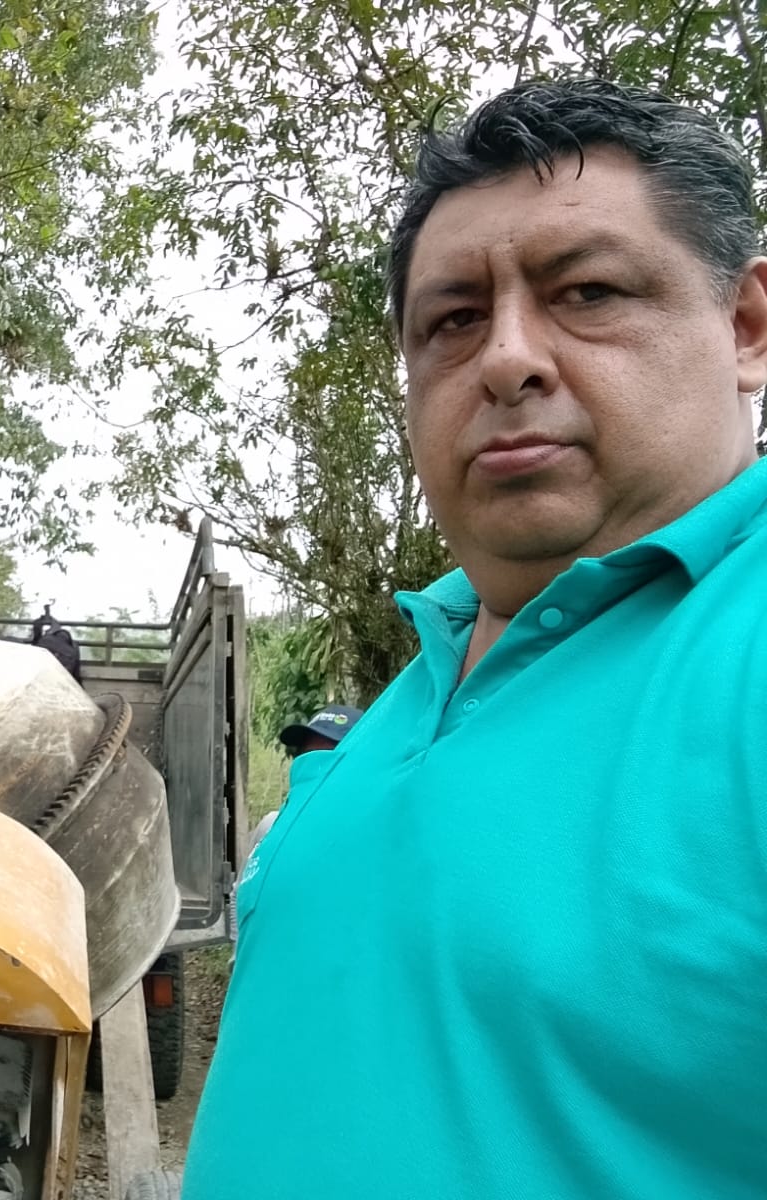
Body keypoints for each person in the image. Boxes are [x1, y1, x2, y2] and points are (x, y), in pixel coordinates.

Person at [183, 78, 767, 1198]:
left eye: (587, 292)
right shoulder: (419, 678)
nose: (505, 358)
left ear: (745, 327)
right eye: (452, 320)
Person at [248, 704, 364, 851]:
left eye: (327, 759)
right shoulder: (272, 831)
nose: (315, 770)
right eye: (306, 757)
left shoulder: (375, 837)